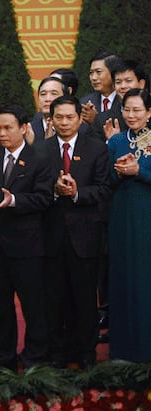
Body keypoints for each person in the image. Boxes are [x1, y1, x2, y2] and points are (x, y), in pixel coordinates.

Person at [0, 105, 54, 371]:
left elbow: (44, 199)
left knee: (34, 305)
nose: (3, 133)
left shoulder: (39, 158)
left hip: (27, 245)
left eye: (8, 128)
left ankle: (35, 357)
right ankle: (1, 358)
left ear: (24, 128)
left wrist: (14, 200)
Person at [38, 95, 111, 369]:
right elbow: (34, 190)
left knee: (84, 298)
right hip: (50, 237)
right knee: (54, 298)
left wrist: (77, 192)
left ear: (80, 118)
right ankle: (58, 352)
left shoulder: (96, 148)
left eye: (70, 117)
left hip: (86, 236)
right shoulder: (41, 150)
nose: (65, 122)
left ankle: (87, 352)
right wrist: (54, 193)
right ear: (51, 119)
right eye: (59, 117)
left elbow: (104, 190)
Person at [106, 87, 151, 363]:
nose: (131, 115)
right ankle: (123, 352)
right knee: (123, 279)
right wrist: (119, 172)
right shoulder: (116, 142)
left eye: (137, 110)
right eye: (127, 110)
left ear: (149, 112)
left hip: (147, 217)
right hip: (121, 219)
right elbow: (104, 183)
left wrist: (141, 171)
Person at [95, 59, 147, 141]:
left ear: (141, 84)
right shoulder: (103, 120)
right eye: (118, 82)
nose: (123, 86)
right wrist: (112, 142)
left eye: (128, 81)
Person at [81, 52, 118, 125]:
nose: (93, 78)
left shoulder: (125, 101)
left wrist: (95, 120)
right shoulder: (85, 103)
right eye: (91, 73)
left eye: (98, 72)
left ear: (113, 73)